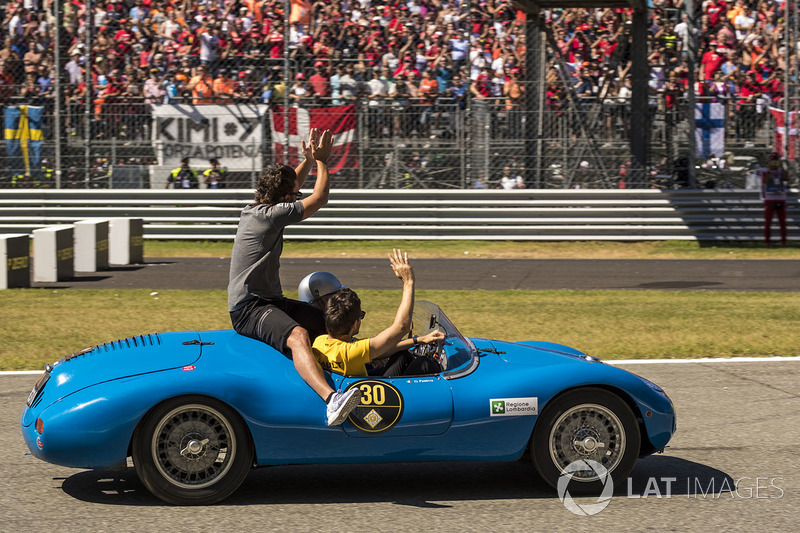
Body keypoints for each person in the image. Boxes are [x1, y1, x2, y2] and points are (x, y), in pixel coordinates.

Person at [228, 128, 362, 426]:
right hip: (248, 309)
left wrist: (308, 160)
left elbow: (294, 186)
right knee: (299, 335)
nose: (296, 197)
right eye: (293, 196)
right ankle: (332, 400)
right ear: (284, 199)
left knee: (329, 320)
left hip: (269, 301)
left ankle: (356, 367)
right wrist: (324, 162)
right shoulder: (271, 216)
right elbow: (320, 197)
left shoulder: (261, 206)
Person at [312, 249, 445, 377]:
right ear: (354, 324)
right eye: (361, 316)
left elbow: (379, 349)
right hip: (371, 396)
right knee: (425, 363)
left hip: (354, 381)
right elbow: (401, 327)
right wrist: (408, 282)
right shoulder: (350, 352)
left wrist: (418, 340)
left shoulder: (320, 342)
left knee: (402, 355)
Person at [760, 152, 788, 247]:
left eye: (776, 160)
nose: (774, 163)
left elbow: (786, 179)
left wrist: (782, 168)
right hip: (769, 198)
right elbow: (765, 181)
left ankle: (783, 241)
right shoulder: (765, 171)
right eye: (773, 160)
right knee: (768, 222)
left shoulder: (781, 170)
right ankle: (767, 241)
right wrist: (769, 170)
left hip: (780, 197)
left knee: (782, 222)